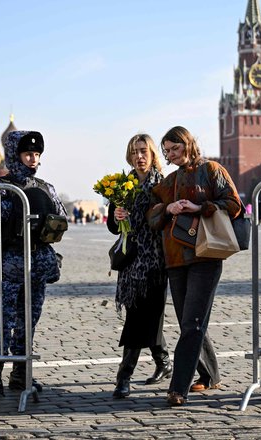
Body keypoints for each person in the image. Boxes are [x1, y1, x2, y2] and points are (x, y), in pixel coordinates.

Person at [147, 126, 241, 406]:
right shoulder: (169, 180)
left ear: (188, 144)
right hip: (175, 259)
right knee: (190, 321)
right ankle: (210, 375)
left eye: (175, 148)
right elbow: (152, 213)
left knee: (192, 323)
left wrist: (200, 207)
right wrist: (168, 208)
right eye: (166, 151)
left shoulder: (212, 170)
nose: (171, 155)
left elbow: (234, 205)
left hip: (205, 256)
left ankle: (178, 388)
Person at [0, 130, 67, 398]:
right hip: (8, 266)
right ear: (15, 155)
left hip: (37, 266)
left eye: (36, 154)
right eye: (27, 154)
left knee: (28, 321)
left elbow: (61, 218)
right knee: (1, 321)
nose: (33, 159)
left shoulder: (45, 187)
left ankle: (21, 374)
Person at [107, 134, 171, 399]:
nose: (139, 156)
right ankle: (160, 363)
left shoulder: (164, 184)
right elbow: (113, 227)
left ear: (153, 153)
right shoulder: (123, 185)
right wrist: (116, 215)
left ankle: (126, 374)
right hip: (132, 261)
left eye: (144, 151)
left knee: (147, 317)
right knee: (140, 316)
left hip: (157, 260)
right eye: (134, 152)